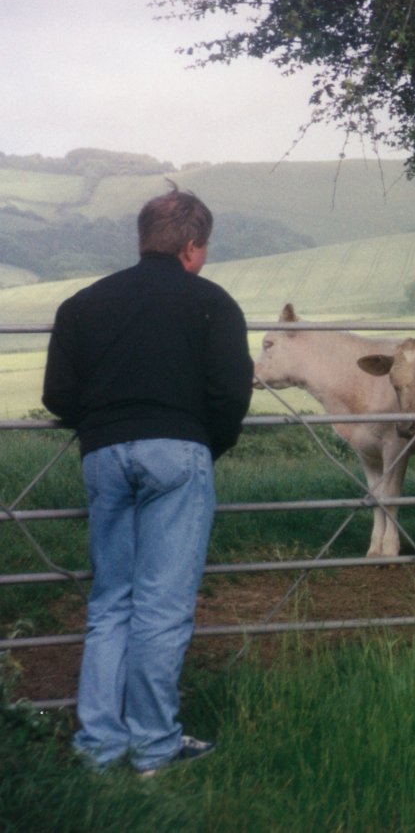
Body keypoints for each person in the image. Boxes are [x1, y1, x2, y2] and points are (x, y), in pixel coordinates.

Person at [42, 183, 254, 776]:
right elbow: (231, 393)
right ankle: (155, 747)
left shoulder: (82, 304)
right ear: (192, 246)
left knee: (111, 601)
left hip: (104, 455)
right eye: (203, 247)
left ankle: (100, 747)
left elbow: (57, 394)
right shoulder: (212, 302)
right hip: (178, 451)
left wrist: (106, 430)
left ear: (143, 241)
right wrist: (204, 446)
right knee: (162, 605)